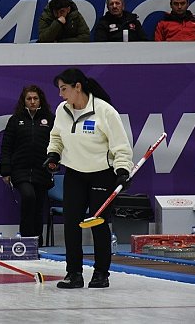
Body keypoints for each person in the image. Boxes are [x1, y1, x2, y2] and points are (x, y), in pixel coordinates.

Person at [43, 68, 133, 289]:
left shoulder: (105, 111)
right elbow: (56, 136)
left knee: (99, 224)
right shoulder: (62, 110)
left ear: (78, 87)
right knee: (71, 225)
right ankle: (73, 273)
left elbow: (121, 147)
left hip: (101, 175)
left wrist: (122, 170)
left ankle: (101, 273)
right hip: (74, 174)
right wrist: (53, 154)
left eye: (64, 89)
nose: (60, 94)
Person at [0, 85, 54, 246]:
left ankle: (37, 242)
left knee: (38, 206)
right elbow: (6, 146)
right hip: (20, 171)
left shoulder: (50, 119)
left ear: (40, 100)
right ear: (24, 101)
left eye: (35, 98)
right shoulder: (15, 120)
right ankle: (26, 239)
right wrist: (5, 171)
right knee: (28, 197)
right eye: (29, 98)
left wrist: (54, 163)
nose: (32, 102)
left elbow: (58, 144)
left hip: (42, 171)